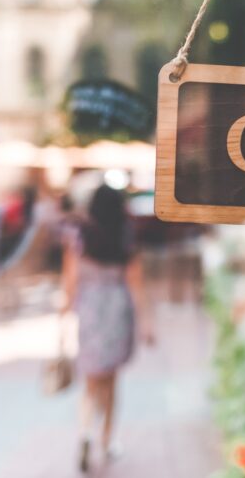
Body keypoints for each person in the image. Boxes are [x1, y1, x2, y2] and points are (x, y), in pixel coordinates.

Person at [61, 183, 154, 473]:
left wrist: (63, 314)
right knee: (111, 381)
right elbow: (136, 284)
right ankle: (107, 440)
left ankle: (85, 431)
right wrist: (147, 322)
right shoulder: (126, 236)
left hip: (89, 310)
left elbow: (70, 280)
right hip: (116, 310)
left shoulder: (80, 236)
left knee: (90, 380)